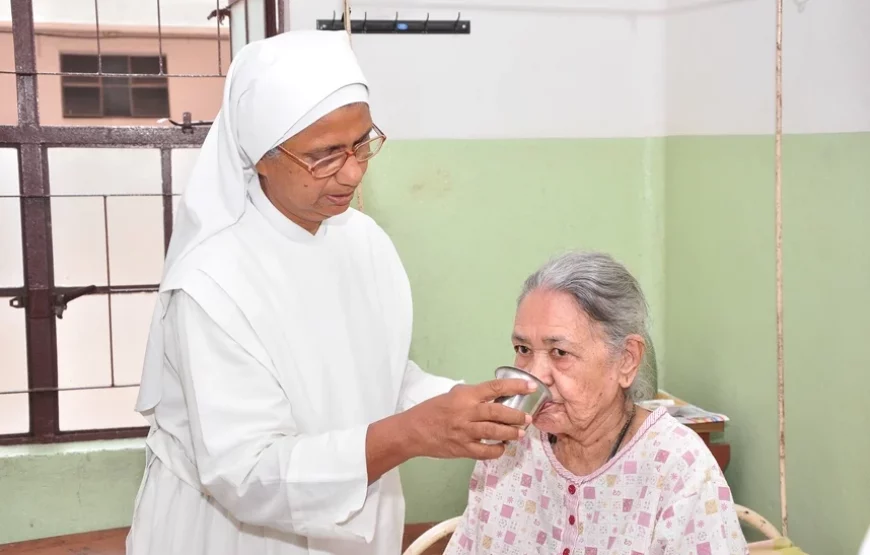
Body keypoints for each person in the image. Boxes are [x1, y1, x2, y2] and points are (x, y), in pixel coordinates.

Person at [126, 30, 534, 555]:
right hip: (235, 535)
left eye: (362, 142)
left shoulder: (362, 241)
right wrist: (413, 432)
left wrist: (465, 407)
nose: (354, 170)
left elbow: (377, 374)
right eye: (324, 155)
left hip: (355, 514)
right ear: (262, 155)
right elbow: (247, 474)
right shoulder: (212, 284)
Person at [445, 251, 749, 555]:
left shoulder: (680, 468)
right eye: (523, 349)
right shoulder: (508, 447)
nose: (533, 377)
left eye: (559, 353)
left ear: (627, 360)